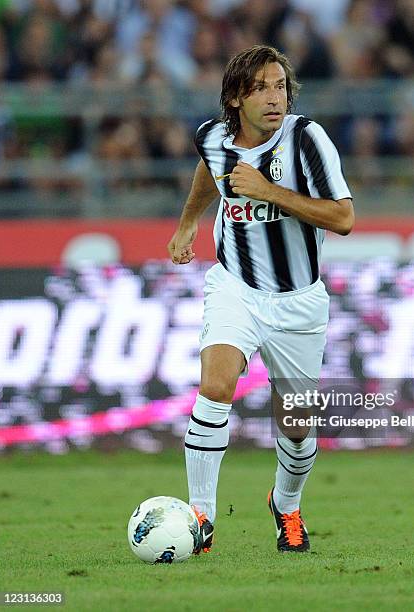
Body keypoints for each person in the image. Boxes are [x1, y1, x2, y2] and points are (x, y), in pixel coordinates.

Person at [167, 45, 354, 553]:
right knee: (217, 385)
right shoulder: (212, 138)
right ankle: (200, 518)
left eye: (280, 87)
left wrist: (270, 192)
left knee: (296, 428)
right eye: (261, 89)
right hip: (236, 288)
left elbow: (343, 219)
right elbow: (210, 170)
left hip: (299, 301)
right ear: (234, 98)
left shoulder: (308, 139)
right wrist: (188, 222)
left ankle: (286, 506)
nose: (275, 99)